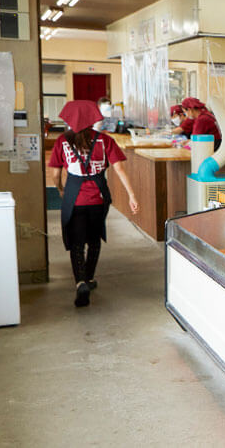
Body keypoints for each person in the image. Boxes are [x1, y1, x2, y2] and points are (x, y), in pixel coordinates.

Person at [49, 101, 140, 308]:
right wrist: (132, 196)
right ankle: (89, 278)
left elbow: (55, 174)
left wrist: (61, 189)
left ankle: (80, 281)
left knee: (76, 241)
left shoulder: (62, 141)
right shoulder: (104, 140)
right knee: (94, 238)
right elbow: (120, 171)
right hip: (99, 197)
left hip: (74, 196)